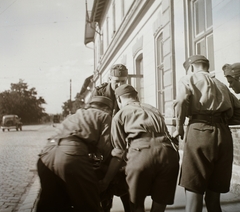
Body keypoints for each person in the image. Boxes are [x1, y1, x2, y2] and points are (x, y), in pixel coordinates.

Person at [173, 55, 240, 212]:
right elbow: (238, 110)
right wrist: (222, 121)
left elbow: (182, 100)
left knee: (194, 191)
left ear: (191, 67)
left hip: (199, 131)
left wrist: (179, 126)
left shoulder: (188, 78)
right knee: (213, 197)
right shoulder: (221, 84)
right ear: (207, 67)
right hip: (224, 135)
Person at [100, 84, 180, 212]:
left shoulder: (120, 115)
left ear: (119, 100)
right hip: (168, 153)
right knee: (160, 203)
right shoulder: (154, 110)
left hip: (141, 153)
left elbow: (119, 152)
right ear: (136, 96)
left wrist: (106, 180)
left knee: (136, 206)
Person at [36, 96, 113, 212]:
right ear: (107, 109)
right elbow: (105, 148)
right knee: (89, 203)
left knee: (49, 204)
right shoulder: (104, 115)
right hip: (70, 153)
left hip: (47, 152)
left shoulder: (74, 115)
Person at [90, 64, 131, 212]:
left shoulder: (127, 91)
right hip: (104, 142)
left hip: (121, 141)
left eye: (123, 81)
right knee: (104, 191)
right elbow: (94, 118)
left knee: (126, 187)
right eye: (117, 81)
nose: (120, 85)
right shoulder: (100, 91)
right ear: (109, 79)